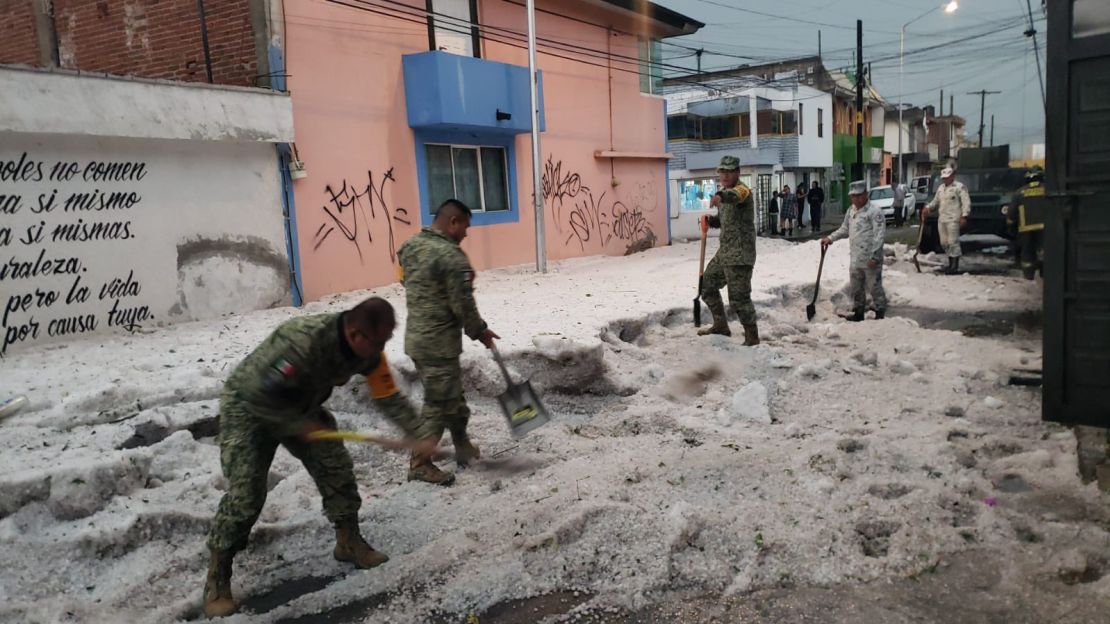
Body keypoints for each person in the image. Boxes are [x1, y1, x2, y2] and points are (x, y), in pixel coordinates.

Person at [203, 297, 440, 618]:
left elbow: (388, 396)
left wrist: (417, 432)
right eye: (379, 341)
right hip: (250, 410)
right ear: (356, 335)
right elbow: (261, 394)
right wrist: (299, 426)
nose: (382, 348)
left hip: (301, 406)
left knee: (336, 468)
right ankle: (218, 574)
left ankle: (348, 542)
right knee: (246, 496)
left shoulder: (369, 351)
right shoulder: (302, 342)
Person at [397, 199, 499, 486]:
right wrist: (481, 331)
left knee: (451, 397)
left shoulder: (410, 247)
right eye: (465, 226)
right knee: (438, 404)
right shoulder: (452, 258)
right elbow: (463, 305)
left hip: (417, 339)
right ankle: (419, 463)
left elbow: (407, 280)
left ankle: (463, 447)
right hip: (439, 345)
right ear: (453, 222)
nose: (466, 233)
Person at [698, 155, 760, 345]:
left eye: (729, 171)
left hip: (740, 255)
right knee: (707, 286)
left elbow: (735, 196)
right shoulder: (724, 192)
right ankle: (721, 325)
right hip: (725, 252)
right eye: (722, 171)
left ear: (737, 172)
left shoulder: (741, 190)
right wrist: (712, 220)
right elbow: (726, 219)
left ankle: (752, 337)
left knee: (739, 298)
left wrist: (721, 196)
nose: (724, 175)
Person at [821, 180, 887, 321]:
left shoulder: (874, 212)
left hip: (870, 259)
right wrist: (831, 238)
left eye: (858, 195)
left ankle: (880, 313)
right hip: (856, 258)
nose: (855, 199)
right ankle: (858, 313)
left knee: (874, 287)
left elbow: (879, 235)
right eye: (853, 196)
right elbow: (845, 228)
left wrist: (875, 257)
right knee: (856, 288)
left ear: (865, 194)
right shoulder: (851, 211)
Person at [923, 165, 971, 274]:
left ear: (952, 176)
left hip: (953, 219)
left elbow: (966, 202)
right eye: (943, 177)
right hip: (942, 219)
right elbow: (935, 202)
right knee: (944, 243)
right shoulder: (940, 188)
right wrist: (928, 208)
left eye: (947, 177)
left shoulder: (959, 187)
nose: (945, 179)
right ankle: (950, 263)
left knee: (953, 242)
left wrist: (964, 216)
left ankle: (954, 266)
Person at [1013, 166, 1045, 280]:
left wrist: (1011, 227)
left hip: (1025, 230)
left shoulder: (1019, 193)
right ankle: (1044, 274)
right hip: (1045, 228)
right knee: (1046, 252)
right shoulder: (1047, 190)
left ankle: (1028, 275)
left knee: (1027, 255)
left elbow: (1012, 214)